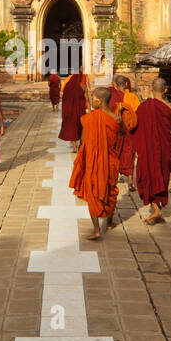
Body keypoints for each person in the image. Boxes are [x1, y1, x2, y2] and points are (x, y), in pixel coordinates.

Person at [69, 86, 121, 241]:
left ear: (100, 100)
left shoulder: (91, 118)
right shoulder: (116, 118)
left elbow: (84, 141)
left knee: (93, 191)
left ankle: (97, 229)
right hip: (111, 161)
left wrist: (81, 157)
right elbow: (120, 136)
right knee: (110, 189)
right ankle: (110, 222)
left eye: (93, 98)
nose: (91, 101)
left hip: (94, 161)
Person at [134, 77, 171, 224]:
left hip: (148, 148)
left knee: (149, 175)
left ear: (151, 88)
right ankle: (157, 208)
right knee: (161, 176)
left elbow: (134, 127)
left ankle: (156, 208)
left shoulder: (144, 107)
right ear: (165, 90)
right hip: (165, 148)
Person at [112, 74, 140, 189]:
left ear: (115, 85)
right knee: (129, 154)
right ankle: (130, 182)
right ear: (126, 84)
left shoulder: (113, 96)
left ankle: (114, 178)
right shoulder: (133, 97)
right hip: (130, 130)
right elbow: (137, 113)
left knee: (116, 153)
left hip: (118, 130)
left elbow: (110, 112)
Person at [58, 69, 90, 151]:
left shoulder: (68, 85)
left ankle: (74, 147)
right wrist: (90, 110)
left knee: (72, 127)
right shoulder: (83, 87)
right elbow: (87, 99)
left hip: (70, 110)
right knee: (81, 126)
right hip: (80, 109)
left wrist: (65, 111)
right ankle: (81, 144)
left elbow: (64, 98)